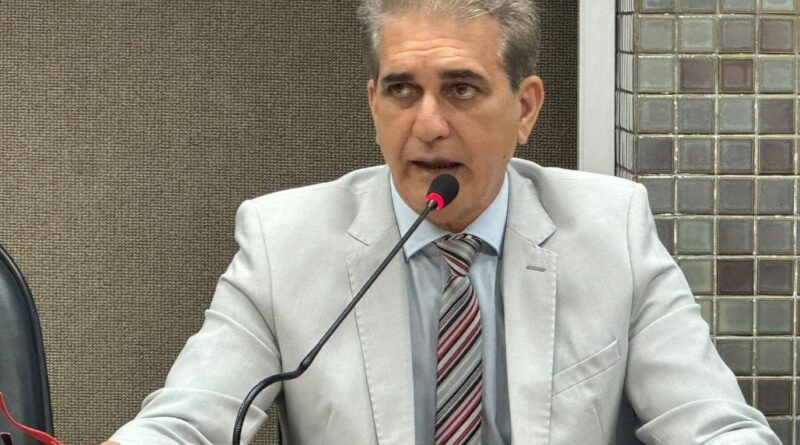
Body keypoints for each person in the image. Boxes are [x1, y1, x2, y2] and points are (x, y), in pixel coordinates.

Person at [102, 1, 781, 444]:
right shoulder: (283, 242)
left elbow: (714, 426)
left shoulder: (612, 230)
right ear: (374, 105)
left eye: (460, 88)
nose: (428, 124)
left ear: (524, 107)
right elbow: (184, 422)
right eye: (403, 90)